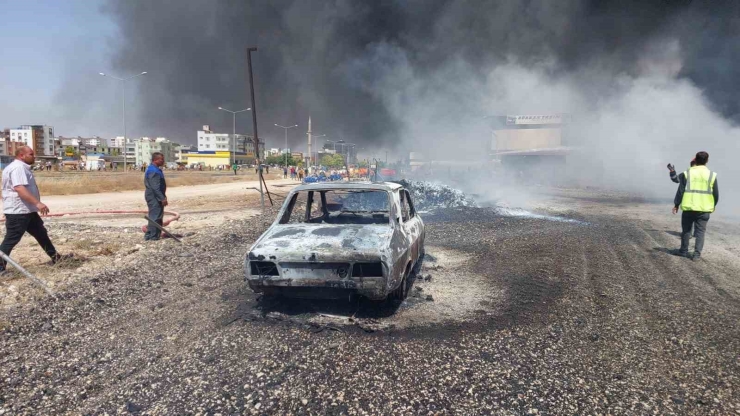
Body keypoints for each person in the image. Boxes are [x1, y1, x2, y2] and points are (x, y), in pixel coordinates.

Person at [0, 147, 71, 274]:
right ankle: (0, 268)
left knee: (41, 234)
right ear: (22, 155)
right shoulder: (18, 168)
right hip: (19, 212)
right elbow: (19, 188)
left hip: (26, 210)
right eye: (31, 154)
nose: (34, 157)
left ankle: (56, 258)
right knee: (11, 239)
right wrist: (38, 203)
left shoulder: (15, 167)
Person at [672, 151, 718, 261]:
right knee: (700, 232)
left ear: (695, 160)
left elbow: (681, 190)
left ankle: (683, 251)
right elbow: (716, 194)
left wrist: (676, 204)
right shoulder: (711, 174)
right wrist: (713, 205)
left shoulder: (687, 173)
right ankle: (697, 255)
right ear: (707, 161)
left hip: (689, 207)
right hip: (704, 209)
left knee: (687, 231)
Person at [144, 152, 168, 241]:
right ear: (155, 160)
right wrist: (162, 198)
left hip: (154, 195)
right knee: (156, 216)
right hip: (154, 196)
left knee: (154, 215)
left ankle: (150, 234)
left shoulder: (155, 169)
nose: (163, 161)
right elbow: (155, 187)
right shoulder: (153, 171)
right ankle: (153, 236)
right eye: (161, 159)